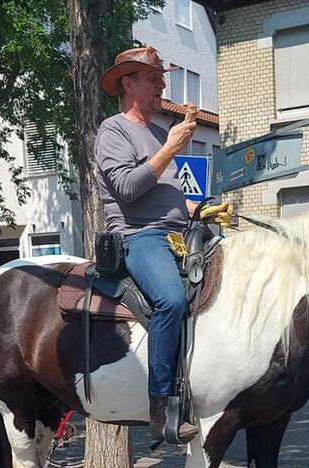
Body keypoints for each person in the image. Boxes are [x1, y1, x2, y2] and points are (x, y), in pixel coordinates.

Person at [94, 47, 228, 444]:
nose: (163, 84)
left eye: (160, 77)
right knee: (170, 298)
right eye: (154, 78)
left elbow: (169, 195)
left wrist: (202, 208)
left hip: (177, 233)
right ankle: (161, 406)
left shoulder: (156, 132)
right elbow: (129, 189)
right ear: (128, 84)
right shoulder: (113, 130)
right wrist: (172, 146)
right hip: (139, 236)